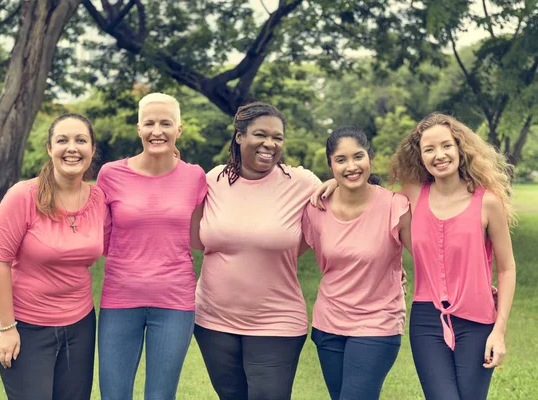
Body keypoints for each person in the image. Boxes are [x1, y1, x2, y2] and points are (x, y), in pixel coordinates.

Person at [312, 113, 517, 400]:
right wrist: (336, 184)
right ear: (420, 157)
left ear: (460, 148)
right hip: (427, 321)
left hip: (478, 321)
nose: (440, 155)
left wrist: (499, 330)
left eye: (446, 146)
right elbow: (368, 195)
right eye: (429, 149)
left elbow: (507, 268)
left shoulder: (488, 203)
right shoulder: (410, 197)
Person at [191, 102, 321, 400]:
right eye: (260, 134)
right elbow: (196, 238)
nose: (270, 144)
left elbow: (343, 211)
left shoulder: (303, 184)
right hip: (213, 321)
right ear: (239, 136)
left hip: (277, 320)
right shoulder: (213, 180)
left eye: (277, 137)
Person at [96, 93, 207, 400]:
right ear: (139, 129)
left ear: (179, 129)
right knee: (113, 394)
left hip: (174, 303)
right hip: (120, 299)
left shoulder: (195, 176)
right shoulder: (110, 174)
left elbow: (199, 237)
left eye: (165, 123)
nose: (157, 131)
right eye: (150, 123)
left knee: (160, 396)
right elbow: (103, 238)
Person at [0, 113, 105, 400]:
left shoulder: (99, 199)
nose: (72, 148)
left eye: (81, 140)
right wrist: (7, 328)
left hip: (80, 325)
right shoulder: (22, 196)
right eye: (62, 140)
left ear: (92, 149)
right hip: (26, 326)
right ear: (49, 148)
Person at [301, 126, 411, 400]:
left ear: (370, 158)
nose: (351, 166)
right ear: (330, 166)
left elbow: (428, 254)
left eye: (358, 156)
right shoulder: (316, 208)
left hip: (378, 323)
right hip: (328, 325)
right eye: (341, 160)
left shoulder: (395, 206)